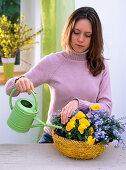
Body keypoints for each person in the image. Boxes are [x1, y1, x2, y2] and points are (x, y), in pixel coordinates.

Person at [5, 7, 112, 143]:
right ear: (69, 31)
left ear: (95, 37)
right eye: (76, 32)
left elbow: (106, 108)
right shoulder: (53, 62)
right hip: (52, 139)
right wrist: (19, 82)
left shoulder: (100, 65)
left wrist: (79, 104)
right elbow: (9, 90)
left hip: (87, 143)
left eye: (87, 35)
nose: (80, 39)